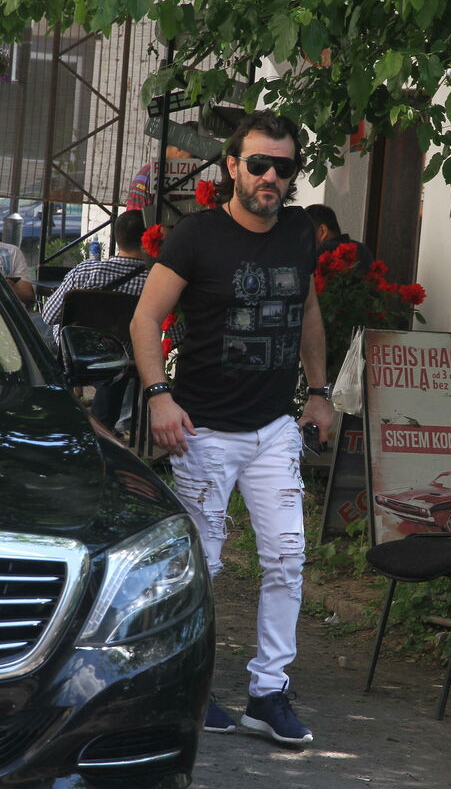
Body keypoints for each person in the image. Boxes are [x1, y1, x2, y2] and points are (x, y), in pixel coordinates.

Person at [129, 110, 334, 746]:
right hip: (204, 431)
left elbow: (307, 310)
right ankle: (187, 687)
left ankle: (268, 693)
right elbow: (144, 319)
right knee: (203, 563)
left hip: (273, 427)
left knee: (287, 559)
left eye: (283, 167)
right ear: (233, 167)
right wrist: (159, 397)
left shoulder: (298, 231)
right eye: (259, 164)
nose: (271, 176)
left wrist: (320, 393)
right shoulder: (198, 235)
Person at [41, 209, 151, 432]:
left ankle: (52, 404)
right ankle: (103, 423)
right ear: (147, 240)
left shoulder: (86, 270)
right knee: (117, 353)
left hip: (74, 352)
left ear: (116, 237)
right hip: (120, 358)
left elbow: (49, 316)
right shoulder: (153, 280)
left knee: (37, 330)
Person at [125, 121, 200, 211]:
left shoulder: (182, 178)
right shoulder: (150, 176)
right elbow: (134, 218)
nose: (198, 162)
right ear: (180, 146)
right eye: (195, 156)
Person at [304, 202, 375, 263]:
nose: (303, 242)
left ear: (322, 231)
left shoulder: (322, 252)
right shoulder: (363, 250)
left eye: (305, 235)